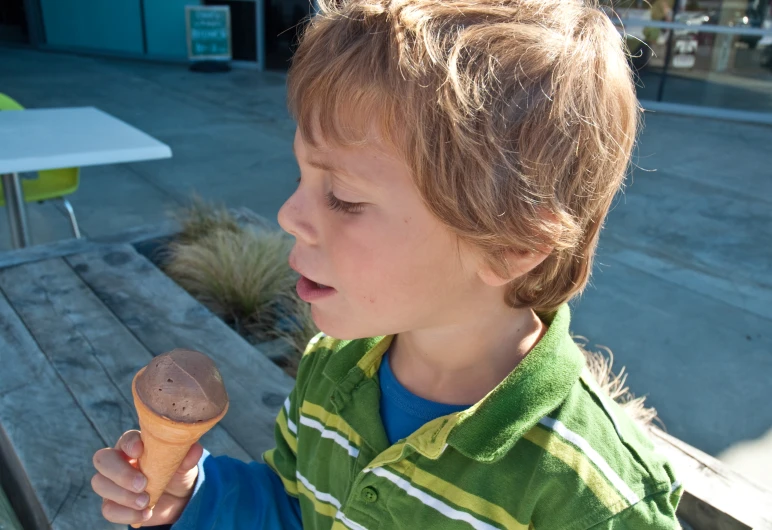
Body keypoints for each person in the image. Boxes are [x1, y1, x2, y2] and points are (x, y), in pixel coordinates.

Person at [90, 0, 683, 528]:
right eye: (303, 176)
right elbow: (297, 506)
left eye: (345, 198)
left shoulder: (591, 497)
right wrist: (195, 496)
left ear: (511, 246)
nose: (289, 214)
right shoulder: (332, 372)